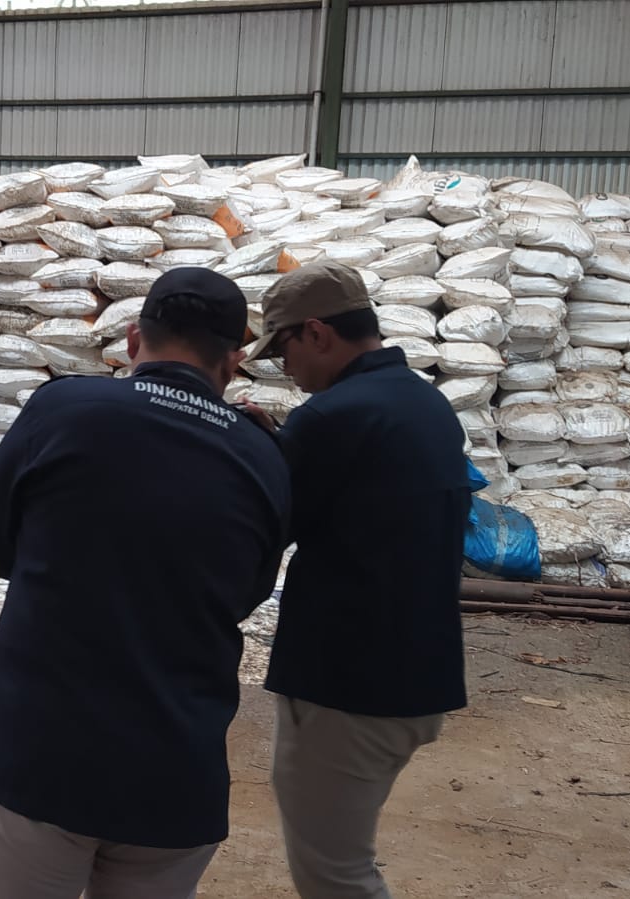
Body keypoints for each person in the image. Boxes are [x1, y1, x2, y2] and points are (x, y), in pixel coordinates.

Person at [0, 268, 291, 899]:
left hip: (39, 755)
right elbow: (246, 594)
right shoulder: (263, 454)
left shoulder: (62, 407)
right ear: (232, 363)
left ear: (133, 339)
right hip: (176, 775)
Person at [242, 261, 470, 899]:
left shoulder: (331, 417)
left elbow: (265, 529)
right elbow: (365, 503)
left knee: (335, 874)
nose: (285, 368)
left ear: (316, 333)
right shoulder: (422, 401)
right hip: (416, 670)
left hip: (348, 687)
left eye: (284, 349)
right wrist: (285, 444)